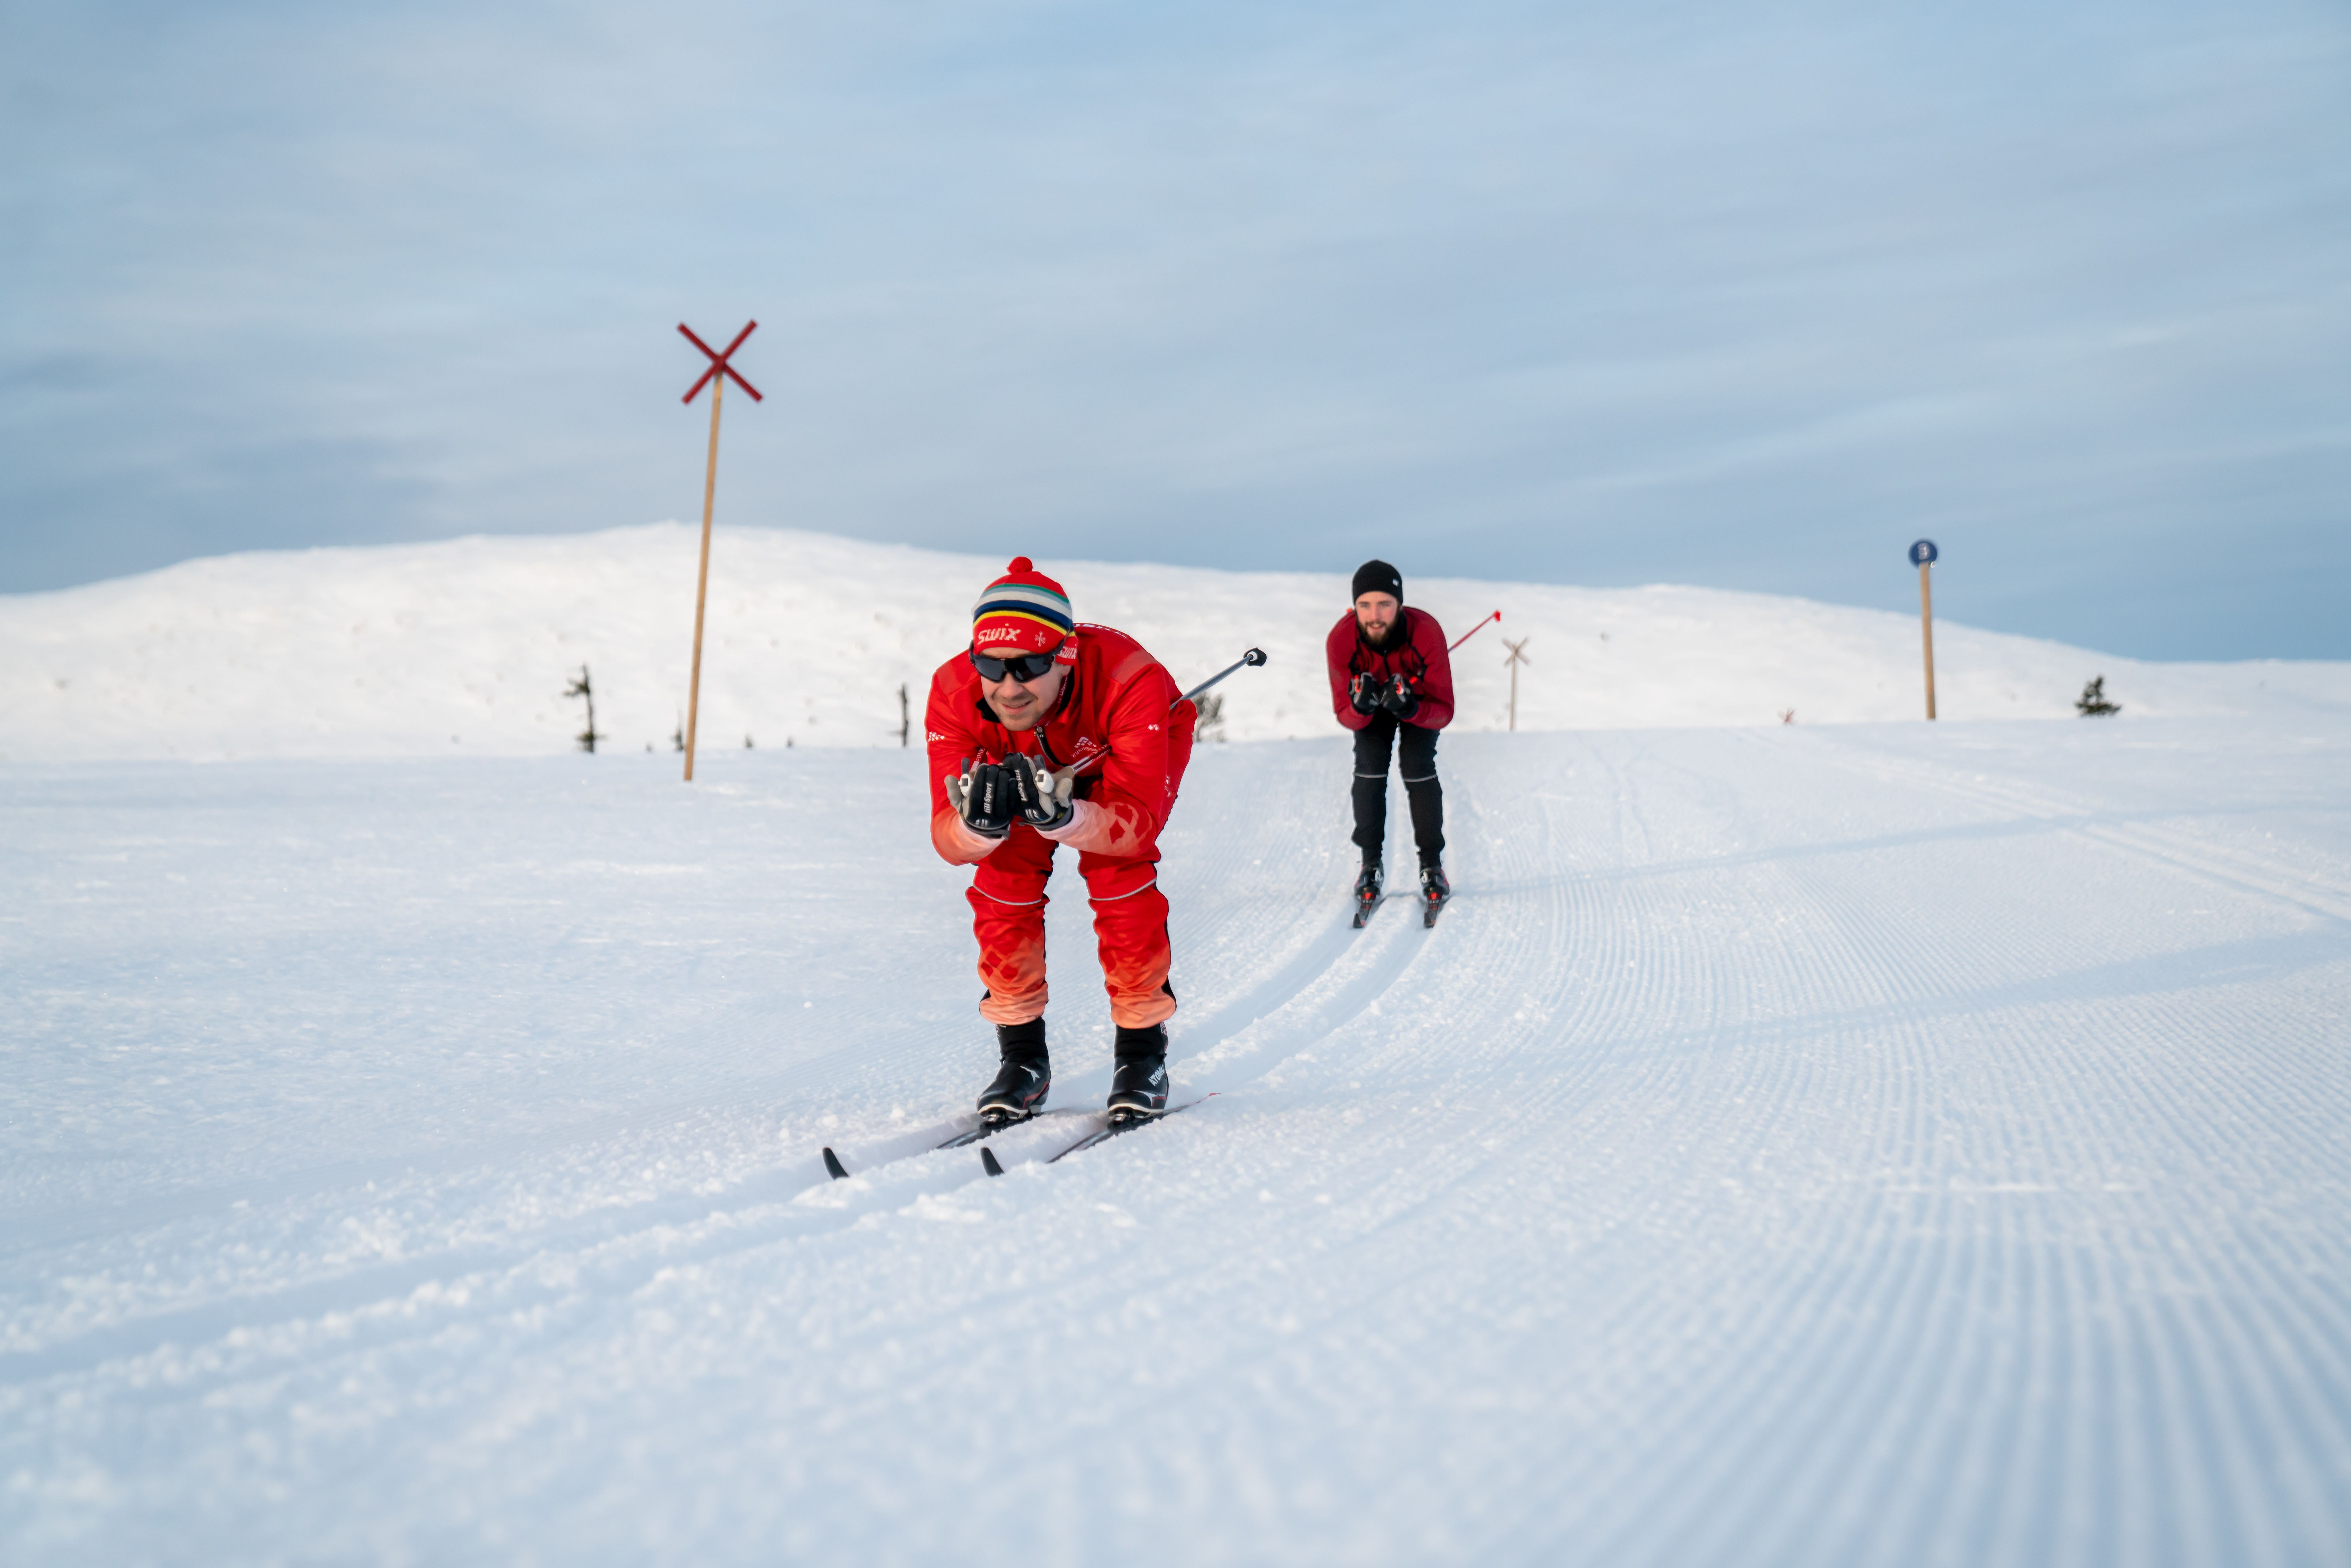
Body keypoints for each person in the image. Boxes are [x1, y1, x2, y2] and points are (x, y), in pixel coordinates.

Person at [926, 557, 1196, 1125]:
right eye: (990, 666)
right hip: (1025, 762)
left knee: (1118, 873)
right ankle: (1022, 1058)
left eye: (1028, 666)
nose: (1008, 686)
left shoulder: (1132, 680)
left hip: (1118, 755)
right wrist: (978, 828)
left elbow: (1136, 824)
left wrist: (1068, 816)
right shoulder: (953, 693)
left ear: (1065, 657)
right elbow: (948, 842)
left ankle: (1141, 1053)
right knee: (1003, 874)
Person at [1325, 558, 1453, 913]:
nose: (1375, 615)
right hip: (1371, 709)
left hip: (1417, 702)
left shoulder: (1426, 632)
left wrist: (1412, 710)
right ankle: (1370, 865)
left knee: (1417, 767)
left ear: (1399, 605)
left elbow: (1444, 708)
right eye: (1364, 606)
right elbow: (1343, 715)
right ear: (1354, 608)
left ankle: (1432, 865)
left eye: (1384, 604)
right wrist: (1361, 708)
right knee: (1369, 768)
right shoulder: (1341, 640)